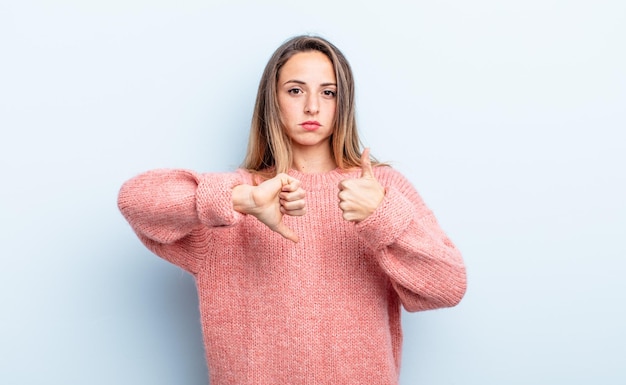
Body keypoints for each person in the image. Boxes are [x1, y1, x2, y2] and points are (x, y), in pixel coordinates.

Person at [118, 35, 466, 385]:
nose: (312, 106)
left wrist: (381, 215)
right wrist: (241, 199)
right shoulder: (235, 200)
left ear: (342, 103)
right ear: (272, 100)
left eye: (328, 92)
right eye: (296, 90)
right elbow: (135, 200)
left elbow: (448, 286)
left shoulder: (378, 188)